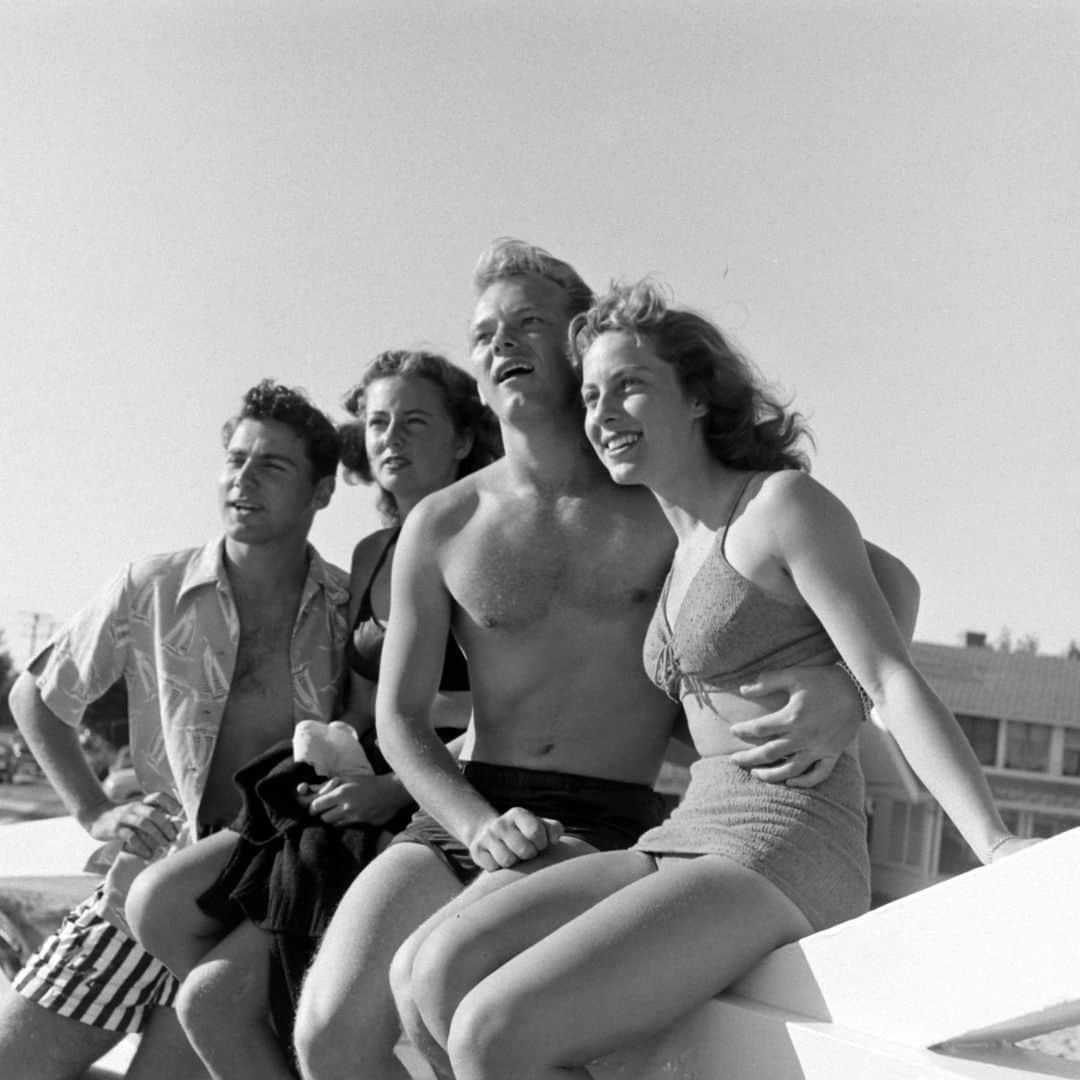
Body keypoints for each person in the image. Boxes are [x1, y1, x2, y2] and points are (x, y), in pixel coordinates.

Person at [291, 239, 920, 1080]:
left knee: (456, 996)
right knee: (328, 1035)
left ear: (577, 343)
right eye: (484, 334)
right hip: (468, 808)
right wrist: (476, 825)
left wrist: (846, 689)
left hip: (608, 819)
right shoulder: (440, 524)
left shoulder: (666, 493)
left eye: (528, 325)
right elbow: (400, 721)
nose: (502, 345)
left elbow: (886, 581)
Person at [396, 278, 1038, 1080]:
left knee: (493, 1032)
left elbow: (892, 671)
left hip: (783, 840)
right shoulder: (676, 541)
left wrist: (994, 840)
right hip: (686, 832)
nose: (603, 413)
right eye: (592, 394)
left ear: (697, 397)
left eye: (630, 386)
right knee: (440, 967)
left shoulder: (777, 507)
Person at [125, 350, 501, 1080]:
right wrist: (341, 768)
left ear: (462, 437)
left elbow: (512, 709)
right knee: (158, 904)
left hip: (442, 792)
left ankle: (300, 1031)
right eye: (377, 422)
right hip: (355, 784)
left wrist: (396, 787)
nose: (389, 437)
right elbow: (365, 709)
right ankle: (288, 1031)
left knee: (210, 1004)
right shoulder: (369, 554)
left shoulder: (493, 531)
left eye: (414, 421)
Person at [0, 380, 349, 1080]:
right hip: (142, 883)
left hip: (252, 913)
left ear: (322, 491)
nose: (242, 478)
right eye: (235, 459)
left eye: (272, 465)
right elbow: (35, 697)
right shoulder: (150, 585)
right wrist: (96, 811)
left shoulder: (348, 613)